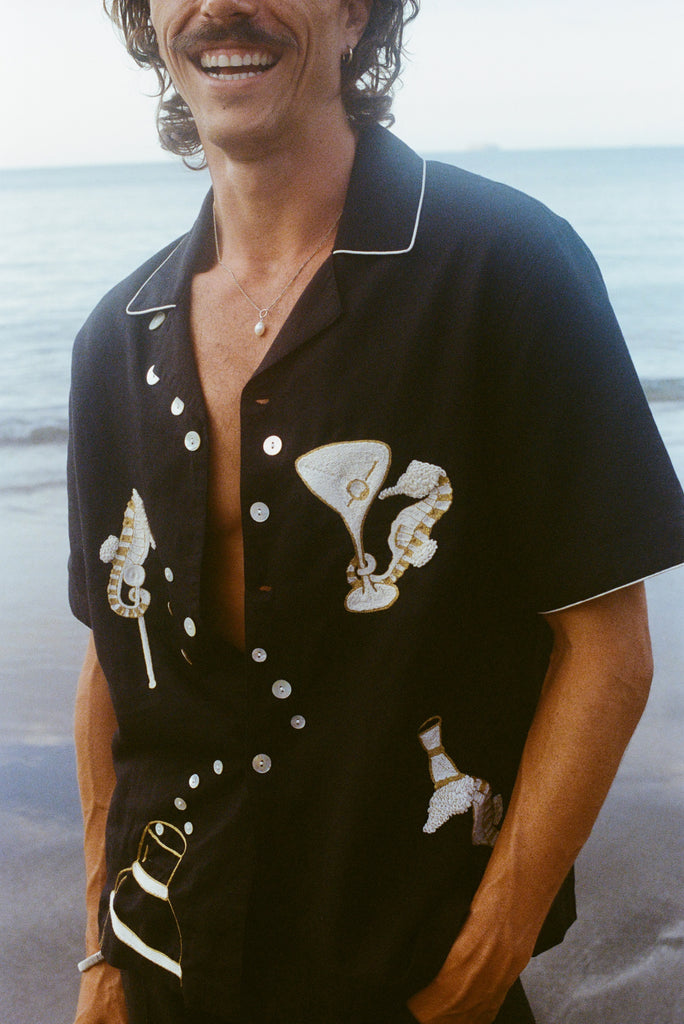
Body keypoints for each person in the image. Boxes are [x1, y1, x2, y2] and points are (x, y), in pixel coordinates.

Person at [68, 2, 684, 1023]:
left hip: (412, 980)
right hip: (167, 960)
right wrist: (101, 947)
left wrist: (495, 948)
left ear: (357, 13)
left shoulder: (504, 267)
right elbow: (113, 655)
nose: (222, 6)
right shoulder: (115, 338)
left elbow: (606, 645)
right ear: (145, 24)